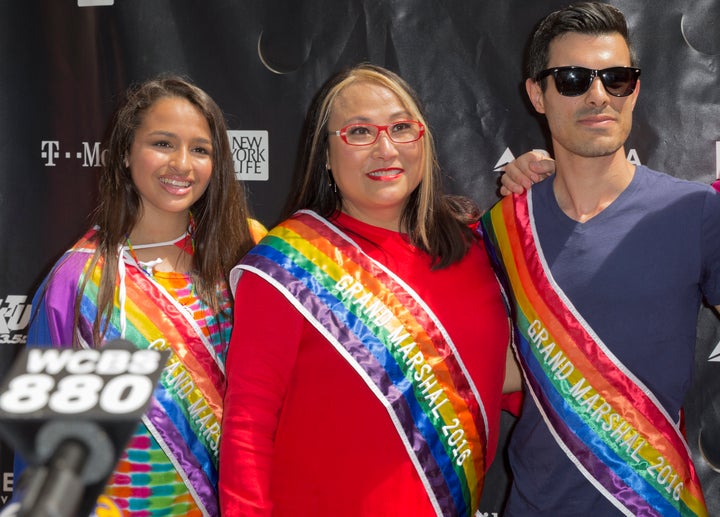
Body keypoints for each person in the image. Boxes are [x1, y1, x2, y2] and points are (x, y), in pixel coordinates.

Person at [218, 63, 522, 516]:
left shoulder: (477, 251)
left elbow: (518, 381)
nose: (385, 148)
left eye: (401, 128)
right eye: (359, 133)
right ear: (324, 153)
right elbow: (248, 425)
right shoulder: (288, 265)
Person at [481, 3, 720, 516]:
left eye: (616, 77)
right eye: (571, 79)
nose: (597, 96)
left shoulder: (697, 213)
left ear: (634, 89)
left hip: (655, 504)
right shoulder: (503, 228)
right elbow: (494, 368)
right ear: (536, 95)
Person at [18, 75, 265, 516]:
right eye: (163, 143)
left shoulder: (244, 257)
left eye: (201, 149)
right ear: (126, 153)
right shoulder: (81, 279)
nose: (183, 165)